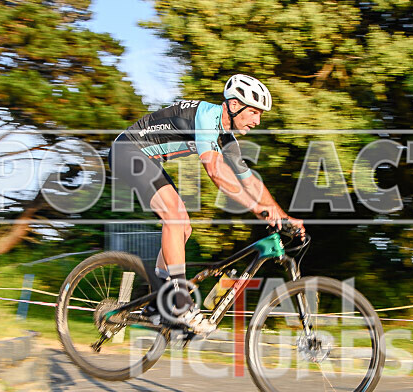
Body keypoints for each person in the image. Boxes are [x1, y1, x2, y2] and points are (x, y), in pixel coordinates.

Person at [110, 74, 304, 335]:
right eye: (255, 112)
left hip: (148, 160)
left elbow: (251, 183)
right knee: (174, 218)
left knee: (183, 228)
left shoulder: (226, 138)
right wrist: (256, 208)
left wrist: (284, 216)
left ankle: (158, 298)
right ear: (235, 106)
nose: (257, 121)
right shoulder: (206, 117)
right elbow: (216, 172)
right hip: (127, 151)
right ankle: (179, 301)